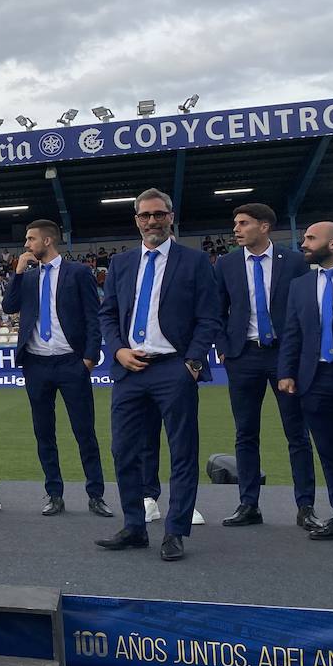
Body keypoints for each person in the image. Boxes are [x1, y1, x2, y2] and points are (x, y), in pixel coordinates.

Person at [97, 189, 219, 562]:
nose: (152, 221)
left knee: (182, 452)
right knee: (123, 451)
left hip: (174, 368)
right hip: (129, 369)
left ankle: (175, 530)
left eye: (159, 214)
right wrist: (117, 350)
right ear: (136, 219)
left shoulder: (195, 261)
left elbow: (209, 317)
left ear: (171, 216)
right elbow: (107, 313)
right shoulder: (121, 263)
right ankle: (135, 526)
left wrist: (192, 363)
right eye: (145, 215)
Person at [214, 203, 318, 529]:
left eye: (243, 223)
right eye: (235, 223)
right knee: (246, 433)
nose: (236, 228)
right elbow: (216, 309)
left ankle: (305, 507)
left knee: (297, 433)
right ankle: (248, 504)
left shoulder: (297, 262)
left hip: (284, 355)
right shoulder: (227, 264)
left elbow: (308, 308)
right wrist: (224, 348)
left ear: (264, 226)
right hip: (243, 356)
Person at [2, 220, 112, 517]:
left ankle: (96, 494)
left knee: (84, 431)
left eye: (30, 239)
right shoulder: (28, 276)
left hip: (70, 363)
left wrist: (88, 359)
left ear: (48, 240)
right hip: (36, 364)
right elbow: (9, 307)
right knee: (44, 433)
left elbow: (93, 316)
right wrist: (18, 271)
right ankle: (54, 493)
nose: (26, 244)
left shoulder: (78, 273)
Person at [278, 222, 333, 543]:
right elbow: (292, 332)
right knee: (330, 451)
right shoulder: (301, 285)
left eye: (311, 238)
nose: (304, 243)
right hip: (314, 379)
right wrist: (286, 372)